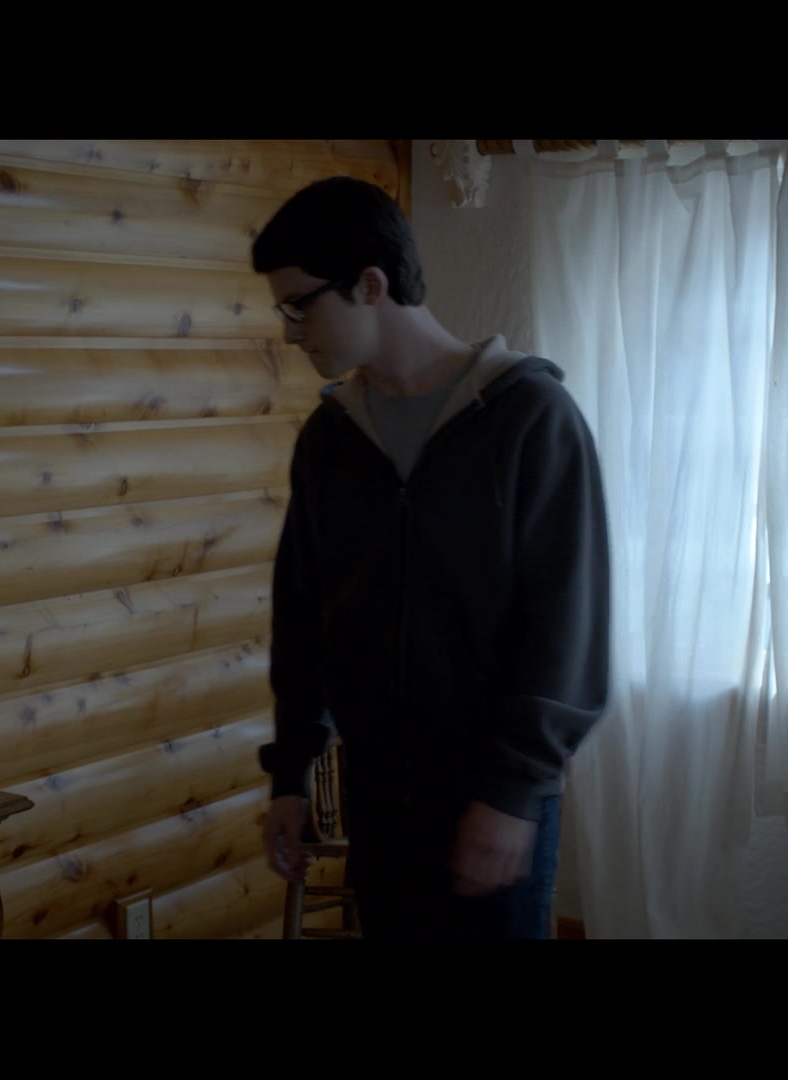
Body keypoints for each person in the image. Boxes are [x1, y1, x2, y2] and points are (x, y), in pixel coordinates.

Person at [252, 176, 612, 939]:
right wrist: (290, 774)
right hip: (379, 797)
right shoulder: (329, 442)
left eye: (298, 306)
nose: (289, 333)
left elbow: (567, 622)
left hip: (497, 799)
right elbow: (302, 615)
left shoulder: (530, 417)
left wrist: (511, 793)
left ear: (369, 284)